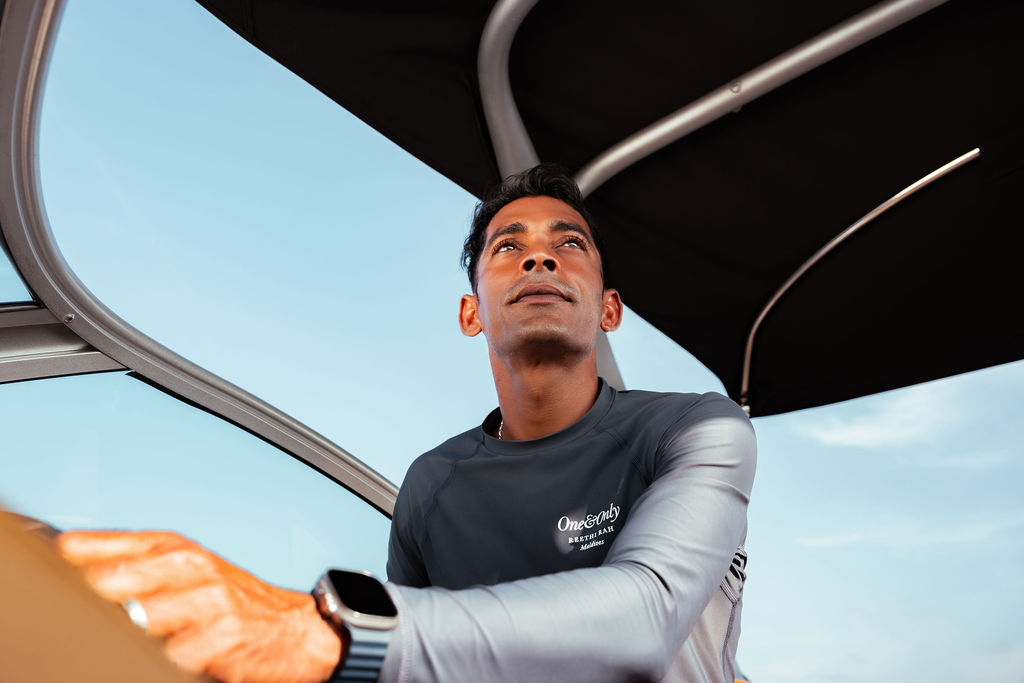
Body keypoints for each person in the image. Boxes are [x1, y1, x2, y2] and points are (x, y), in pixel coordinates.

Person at [58, 164, 756, 683]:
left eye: (568, 244)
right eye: (508, 247)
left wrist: (323, 627)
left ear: (609, 309)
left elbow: (645, 616)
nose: (539, 256)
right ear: (471, 312)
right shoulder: (432, 483)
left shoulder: (696, 428)